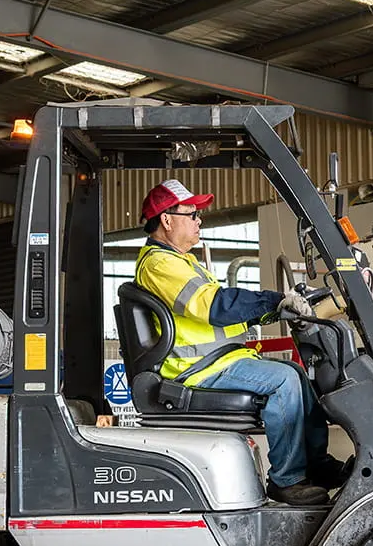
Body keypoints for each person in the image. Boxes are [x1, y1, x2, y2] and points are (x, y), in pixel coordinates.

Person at [135, 179, 348, 507]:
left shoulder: (181, 262)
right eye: (192, 215)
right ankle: (287, 480)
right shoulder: (160, 265)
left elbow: (224, 315)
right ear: (166, 219)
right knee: (283, 379)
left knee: (295, 373)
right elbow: (214, 306)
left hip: (218, 361)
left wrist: (277, 308)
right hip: (196, 370)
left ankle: (315, 465)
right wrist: (271, 301)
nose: (199, 221)